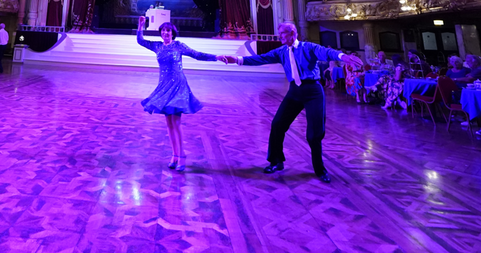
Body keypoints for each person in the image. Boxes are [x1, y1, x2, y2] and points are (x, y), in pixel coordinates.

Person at [218, 23, 363, 183]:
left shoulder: (308, 47)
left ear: (292, 33)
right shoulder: (281, 52)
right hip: (295, 91)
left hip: (313, 91)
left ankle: (320, 169)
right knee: (277, 124)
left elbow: (326, 52)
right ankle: (276, 161)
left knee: (314, 133)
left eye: (282, 34)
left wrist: (343, 57)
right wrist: (237, 60)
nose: (280, 37)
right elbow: (261, 58)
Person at [137, 16, 218, 172]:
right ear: (160, 33)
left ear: (172, 33)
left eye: (168, 30)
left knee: (176, 123)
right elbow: (141, 41)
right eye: (163, 30)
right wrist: (140, 26)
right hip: (164, 87)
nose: (165, 33)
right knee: (169, 124)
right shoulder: (157, 46)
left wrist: (216, 57)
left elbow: (197, 55)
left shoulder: (179, 46)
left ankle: (182, 156)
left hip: (178, 87)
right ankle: (174, 155)